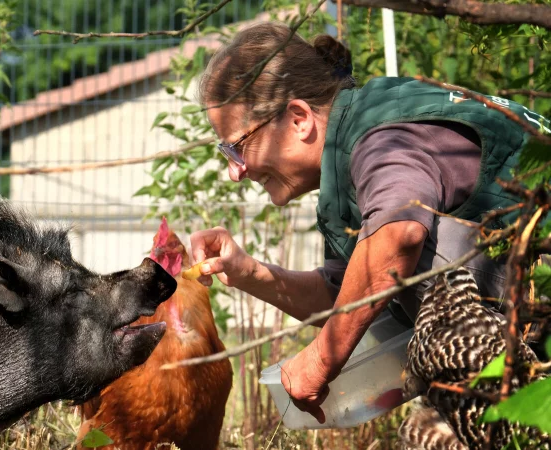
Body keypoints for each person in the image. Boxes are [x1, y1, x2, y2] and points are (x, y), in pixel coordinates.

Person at [188, 21, 549, 423]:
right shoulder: (350, 145)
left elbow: (400, 237)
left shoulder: (378, 137)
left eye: (237, 148)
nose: (235, 172)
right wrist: (249, 273)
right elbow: (346, 298)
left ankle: (517, 419)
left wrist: (321, 358)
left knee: (411, 260)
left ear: (299, 118)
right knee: (376, 280)